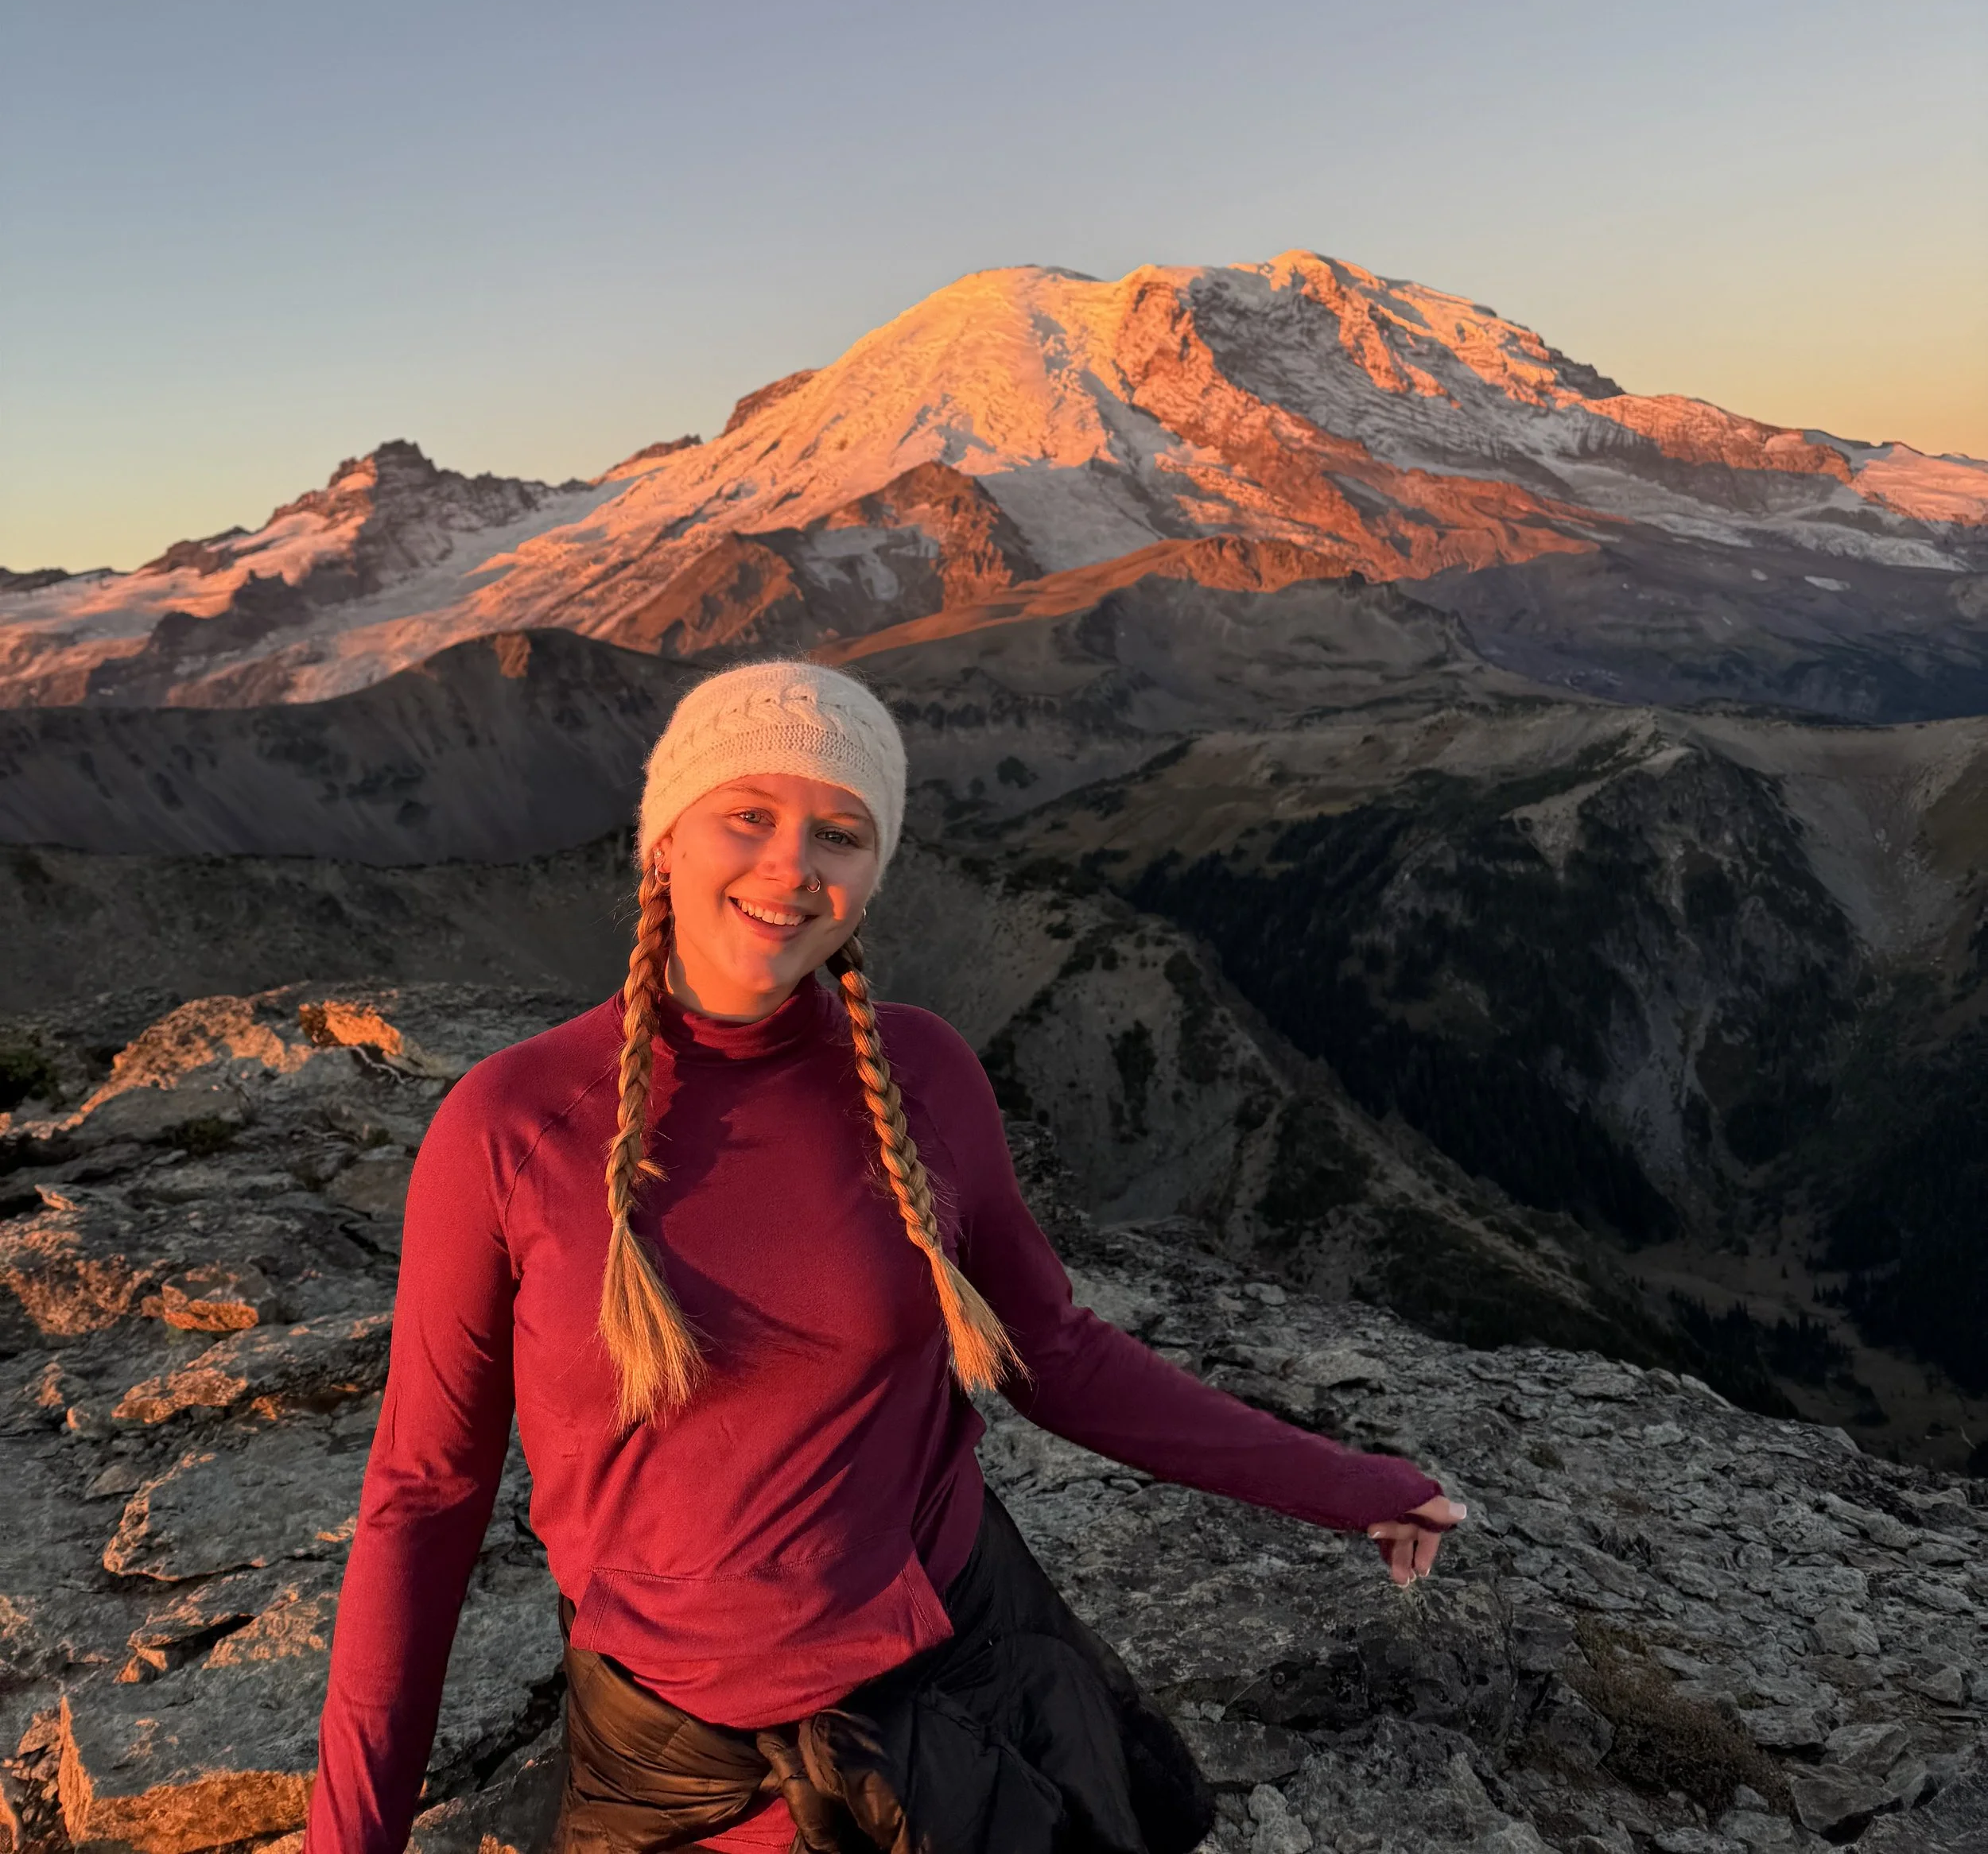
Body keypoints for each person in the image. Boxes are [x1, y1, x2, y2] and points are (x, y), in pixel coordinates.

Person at [306, 661, 1464, 1854]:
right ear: (663, 841)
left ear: (871, 875)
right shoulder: (511, 1126)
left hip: (964, 1679)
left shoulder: (924, 1075)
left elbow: (1053, 1353)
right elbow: (424, 1497)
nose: (791, 865)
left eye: (840, 834)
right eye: (747, 814)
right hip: (694, 1765)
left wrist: (1352, 1485)